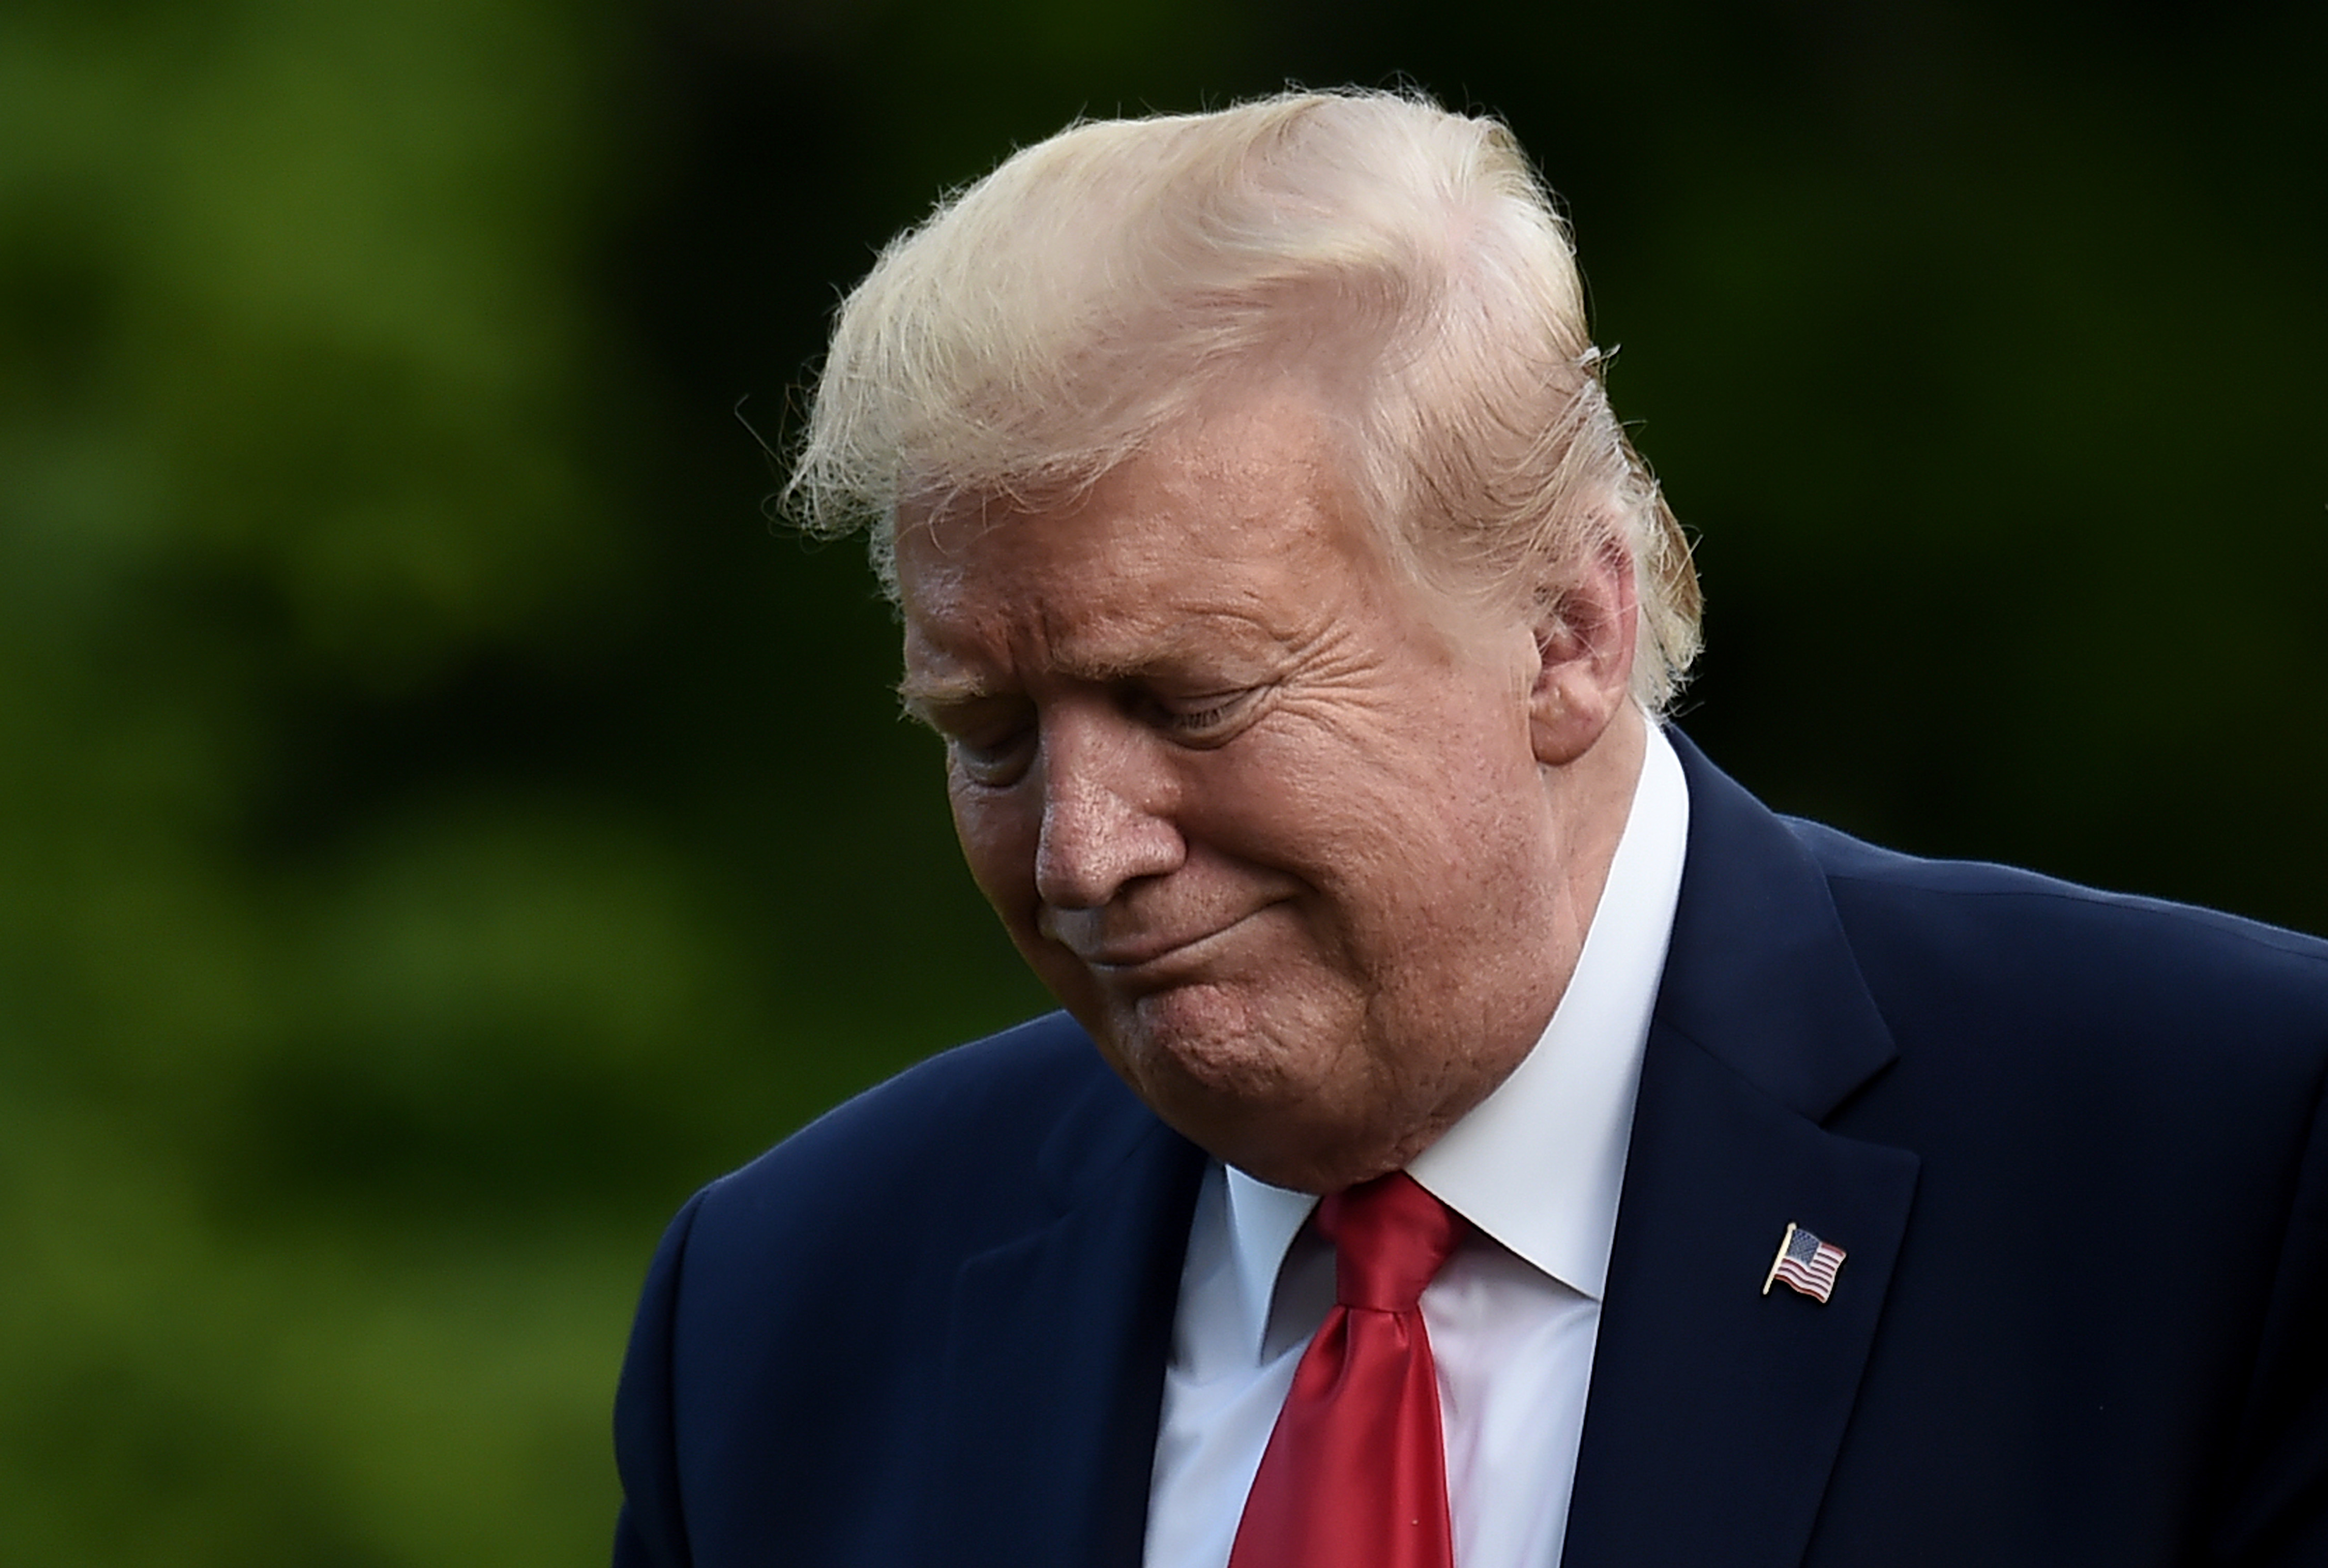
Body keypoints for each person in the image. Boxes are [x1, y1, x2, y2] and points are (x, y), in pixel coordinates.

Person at [610, 91, 2328, 1567]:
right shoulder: (783, 1317)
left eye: (1189, 700)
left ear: (1565, 636)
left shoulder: (2223, 1162)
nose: (1081, 852)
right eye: (988, 735)